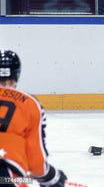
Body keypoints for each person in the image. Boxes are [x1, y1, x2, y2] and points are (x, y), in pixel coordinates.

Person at [0, 50, 67, 186]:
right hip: (7, 176)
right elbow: (37, 167)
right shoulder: (29, 104)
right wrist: (53, 177)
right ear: (16, 75)